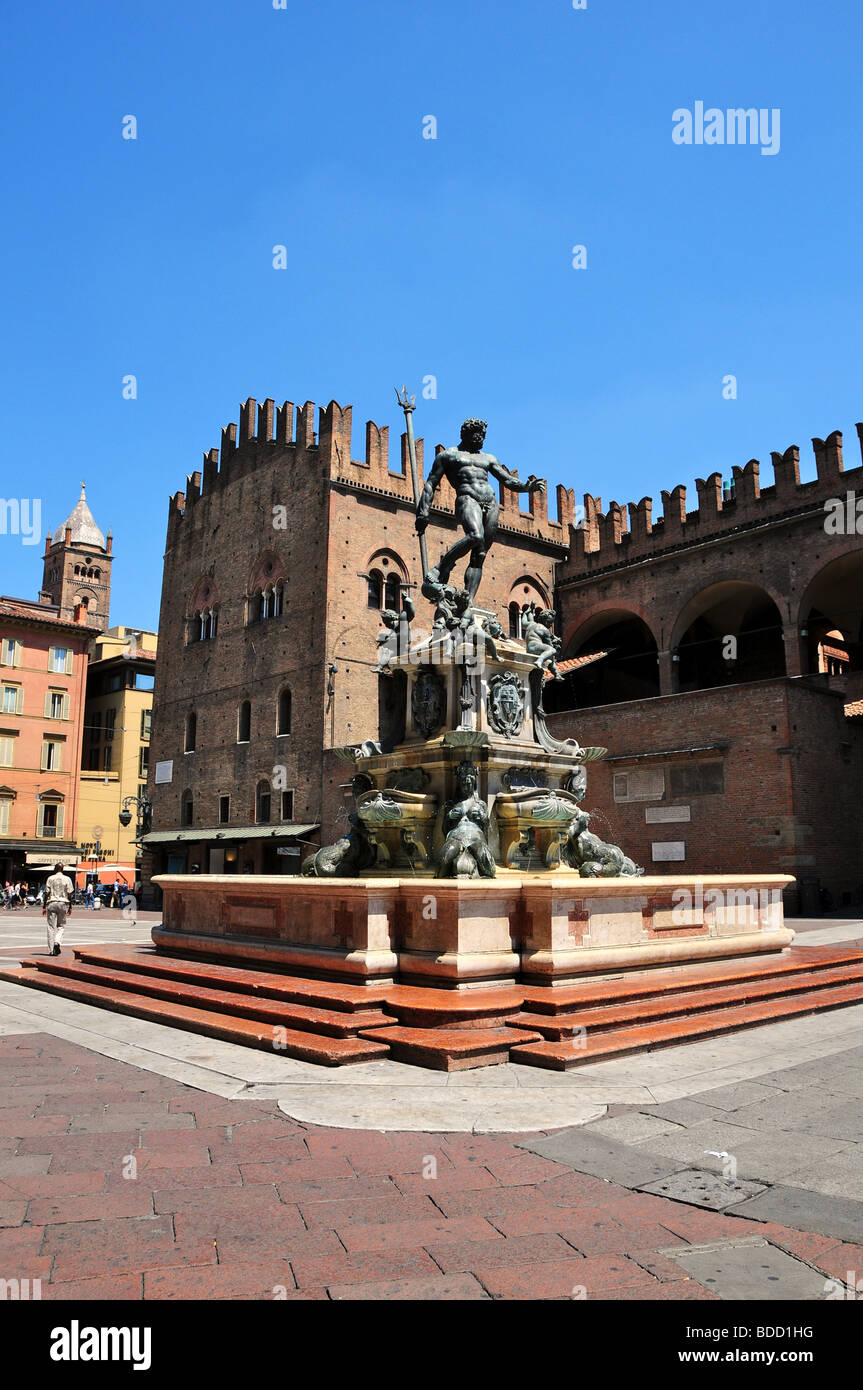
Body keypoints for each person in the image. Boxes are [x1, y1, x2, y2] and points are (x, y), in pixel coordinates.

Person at [415, 418, 545, 602]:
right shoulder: (449, 456)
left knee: (480, 554)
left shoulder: (488, 458)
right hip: (468, 499)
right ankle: (441, 567)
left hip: (490, 502)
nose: (481, 439)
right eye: (477, 434)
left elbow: (507, 480)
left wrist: (527, 487)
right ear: (465, 434)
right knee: (475, 536)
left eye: (483, 435)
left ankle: (468, 602)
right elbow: (430, 484)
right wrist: (423, 512)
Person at [44, 862, 73, 956]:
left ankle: (51, 950)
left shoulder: (50, 878)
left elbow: (47, 893)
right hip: (63, 902)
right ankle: (57, 942)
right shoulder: (67, 879)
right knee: (61, 926)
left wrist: (44, 906)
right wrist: (70, 906)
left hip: (51, 902)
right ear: (63, 869)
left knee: (50, 926)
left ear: (55, 869)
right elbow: (70, 894)